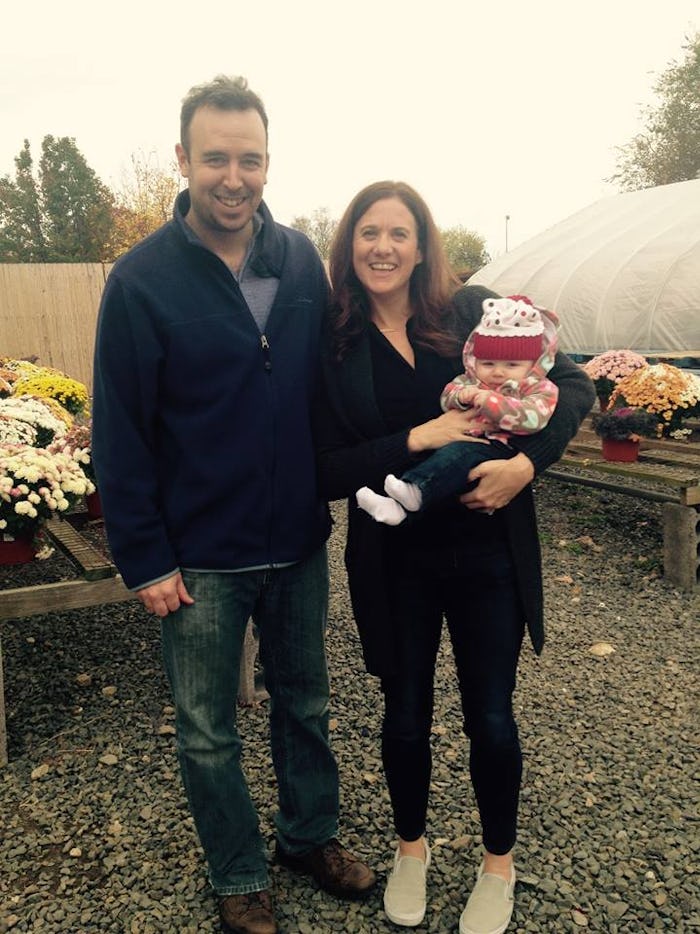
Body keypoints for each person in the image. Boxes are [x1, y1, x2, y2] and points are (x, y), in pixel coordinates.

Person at [92, 75, 375, 934]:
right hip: (200, 556)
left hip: (293, 539)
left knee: (307, 704)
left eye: (249, 159)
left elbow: (339, 380)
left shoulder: (297, 261)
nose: (233, 176)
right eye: (215, 157)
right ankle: (238, 871)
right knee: (208, 729)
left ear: (266, 162)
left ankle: (308, 837)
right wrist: (145, 557)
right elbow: (121, 430)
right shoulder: (141, 281)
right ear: (184, 159)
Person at [312, 181, 595, 933]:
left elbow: (570, 384)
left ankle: (497, 865)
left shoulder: (473, 311)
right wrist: (417, 440)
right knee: (403, 718)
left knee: (492, 719)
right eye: (368, 233)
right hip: (393, 557)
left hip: (487, 556)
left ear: (421, 243)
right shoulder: (333, 341)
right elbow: (323, 468)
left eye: (398, 233)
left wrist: (527, 466)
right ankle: (413, 851)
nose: (382, 247)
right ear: (349, 246)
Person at [356, 294, 559, 525]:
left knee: (455, 457)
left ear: (532, 365)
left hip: (500, 447)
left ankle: (413, 491)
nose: (498, 372)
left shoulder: (539, 388)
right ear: (475, 360)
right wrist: (460, 398)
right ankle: (395, 506)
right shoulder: (472, 380)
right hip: (468, 440)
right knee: (441, 459)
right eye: (488, 363)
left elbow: (534, 419)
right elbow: (447, 396)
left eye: (512, 365)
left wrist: (491, 403)